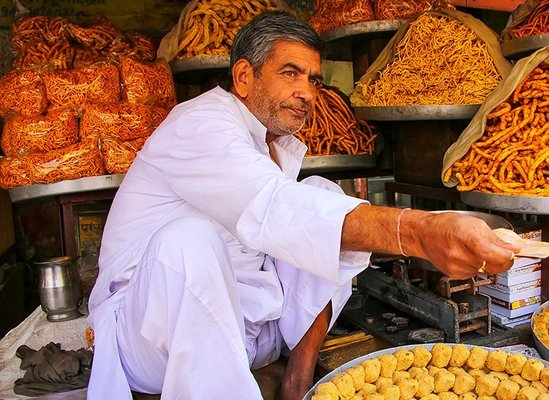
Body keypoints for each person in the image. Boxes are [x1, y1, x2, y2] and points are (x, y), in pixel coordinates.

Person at [87, 10, 520, 400]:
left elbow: (299, 221)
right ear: (243, 77)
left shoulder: (277, 144)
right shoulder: (199, 125)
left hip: (248, 330)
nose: (306, 92)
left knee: (322, 194)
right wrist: (421, 231)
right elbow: (275, 208)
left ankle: (298, 379)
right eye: (290, 74)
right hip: (152, 340)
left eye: (312, 79)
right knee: (188, 241)